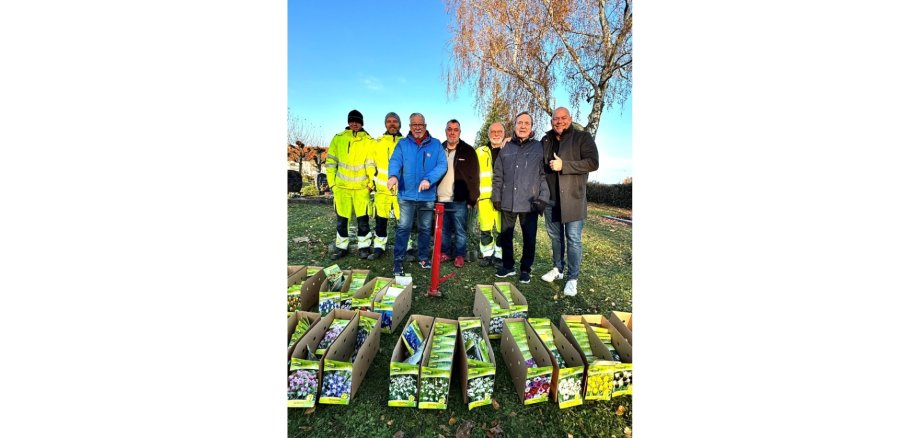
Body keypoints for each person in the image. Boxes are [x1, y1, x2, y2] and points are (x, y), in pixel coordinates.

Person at [540, 107, 599, 296]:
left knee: (573, 239)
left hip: (573, 198)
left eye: (563, 118)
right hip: (551, 199)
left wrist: (564, 165)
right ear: (551, 122)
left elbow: (592, 163)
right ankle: (558, 269)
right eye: (556, 119)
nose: (559, 121)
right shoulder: (546, 139)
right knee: (555, 238)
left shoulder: (583, 137)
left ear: (570, 119)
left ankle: (572, 278)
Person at [387, 113, 448, 288]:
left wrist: (429, 179)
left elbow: (442, 165)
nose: (417, 127)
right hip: (406, 195)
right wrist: (393, 176)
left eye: (420, 124)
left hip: (427, 196)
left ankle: (423, 258)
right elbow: (395, 162)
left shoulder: (435, 145)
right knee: (403, 228)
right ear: (410, 126)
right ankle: (398, 261)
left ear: (425, 125)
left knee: (425, 228)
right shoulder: (403, 144)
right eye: (414, 125)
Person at [492, 112, 549, 284]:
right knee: (506, 236)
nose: (523, 126)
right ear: (514, 126)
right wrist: (496, 196)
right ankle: (508, 266)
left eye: (527, 123)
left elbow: (544, 175)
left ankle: (526, 269)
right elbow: (498, 175)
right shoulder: (506, 147)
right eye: (520, 123)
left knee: (529, 238)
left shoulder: (539, 147)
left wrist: (543, 198)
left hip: (530, 202)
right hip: (508, 200)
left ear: (532, 126)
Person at [326, 109, 376, 260]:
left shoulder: (369, 140)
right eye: (352, 120)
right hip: (341, 189)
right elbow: (330, 163)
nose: (355, 123)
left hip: (362, 189)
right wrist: (332, 185)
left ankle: (364, 247)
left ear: (362, 123)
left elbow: (372, 164)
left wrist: (370, 185)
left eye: (358, 121)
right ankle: (341, 247)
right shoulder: (338, 138)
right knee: (342, 220)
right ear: (348, 122)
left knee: (363, 221)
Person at [437, 119, 480, 268]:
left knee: (460, 229)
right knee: (443, 229)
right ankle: (445, 253)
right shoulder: (438, 149)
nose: (452, 132)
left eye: (456, 129)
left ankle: (460, 255)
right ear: (446, 131)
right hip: (440, 198)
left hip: (459, 199)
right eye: (450, 129)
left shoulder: (468, 151)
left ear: (460, 132)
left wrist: (472, 199)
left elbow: (474, 176)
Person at [368, 112, 403, 260]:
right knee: (381, 221)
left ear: (399, 124)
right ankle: (379, 247)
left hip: (402, 191)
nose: (392, 124)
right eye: (389, 121)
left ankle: (405, 247)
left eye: (395, 121)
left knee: (403, 222)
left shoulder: (406, 142)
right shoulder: (377, 142)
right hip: (382, 190)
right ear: (385, 124)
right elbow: (369, 163)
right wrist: (372, 180)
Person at [474, 122, 506, 267]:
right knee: (485, 229)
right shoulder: (479, 152)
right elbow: (473, 175)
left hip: (504, 198)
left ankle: (500, 256)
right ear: (488, 134)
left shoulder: (509, 150)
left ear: (504, 134)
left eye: (499, 131)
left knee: (502, 230)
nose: (496, 134)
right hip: (484, 198)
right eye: (493, 132)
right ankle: (487, 255)